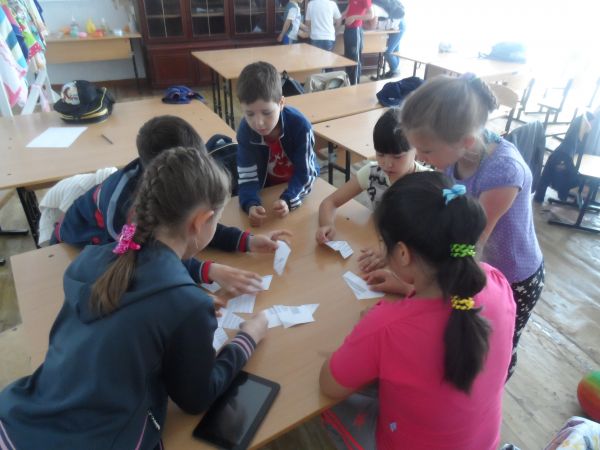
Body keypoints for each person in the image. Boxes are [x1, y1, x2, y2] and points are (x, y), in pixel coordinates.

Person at [0, 147, 268, 449]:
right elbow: (196, 398)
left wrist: (187, 314)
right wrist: (247, 338)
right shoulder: (186, 303)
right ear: (200, 221)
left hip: (16, 420)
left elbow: (123, 326)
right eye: (216, 220)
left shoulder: (89, 259)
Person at [319, 171, 516, 450]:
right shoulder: (497, 282)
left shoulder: (386, 327)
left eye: (384, 244)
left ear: (402, 253)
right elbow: (445, 310)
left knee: (326, 406)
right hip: (484, 442)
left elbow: (329, 384)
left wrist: (369, 329)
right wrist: (406, 287)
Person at [398, 74, 545, 378]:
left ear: (465, 141)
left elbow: (471, 244)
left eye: (426, 151)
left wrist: (412, 281)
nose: (420, 158)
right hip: (476, 266)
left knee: (495, 352)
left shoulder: (503, 173)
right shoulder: (455, 154)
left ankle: (488, 394)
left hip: (513, 277)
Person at [53, 115, 290, 295]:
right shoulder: (123, 210)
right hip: (83, 239)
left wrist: (246, 240)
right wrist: (206, 270)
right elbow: (142, 260)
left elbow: (195, 222)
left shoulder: (175, 187)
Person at [316, 108, 428, 272]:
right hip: (375, 246)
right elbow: (330, 202)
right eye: (380, 154)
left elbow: (430, 238)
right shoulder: (372, 173)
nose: (387, 164)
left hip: (410, 263)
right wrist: (327, 225)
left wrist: (391, 251)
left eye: (397, 157)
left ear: (417, 149)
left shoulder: (428, 184)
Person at [236, 61, 319, 227]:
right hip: (266, 190)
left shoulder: (300, 126)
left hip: (296, 188)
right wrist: (251, 204)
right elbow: (247, 177)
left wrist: (289, 198)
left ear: (281, 103)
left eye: (266, 112)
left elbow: (305, 173)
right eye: (249, 114)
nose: (258, 123)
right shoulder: (245, 131)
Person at [342, 0, 374, 84]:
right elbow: (347, 11)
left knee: (354, 59)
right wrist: (339, 17)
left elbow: (371, 15)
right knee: (348, 58)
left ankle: (354, 85)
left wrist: (354, 17)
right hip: (348, 29)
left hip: (355, 30)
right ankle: (349, 83)